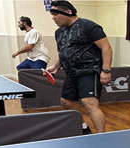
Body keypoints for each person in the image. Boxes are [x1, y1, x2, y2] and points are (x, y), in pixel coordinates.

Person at [46, 0, 113, 134]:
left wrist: (106, 70)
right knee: (66, 102)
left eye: (55, 14)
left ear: (68, 11)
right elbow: (62, 51)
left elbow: (106, 48)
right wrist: (55, 66)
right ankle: (84, 127)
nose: (53, 18)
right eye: (51, 14)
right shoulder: (59, 32)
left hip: (89, 70)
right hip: (71, 72)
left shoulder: (88, 26)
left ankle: (103, 137)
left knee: (89, 104)